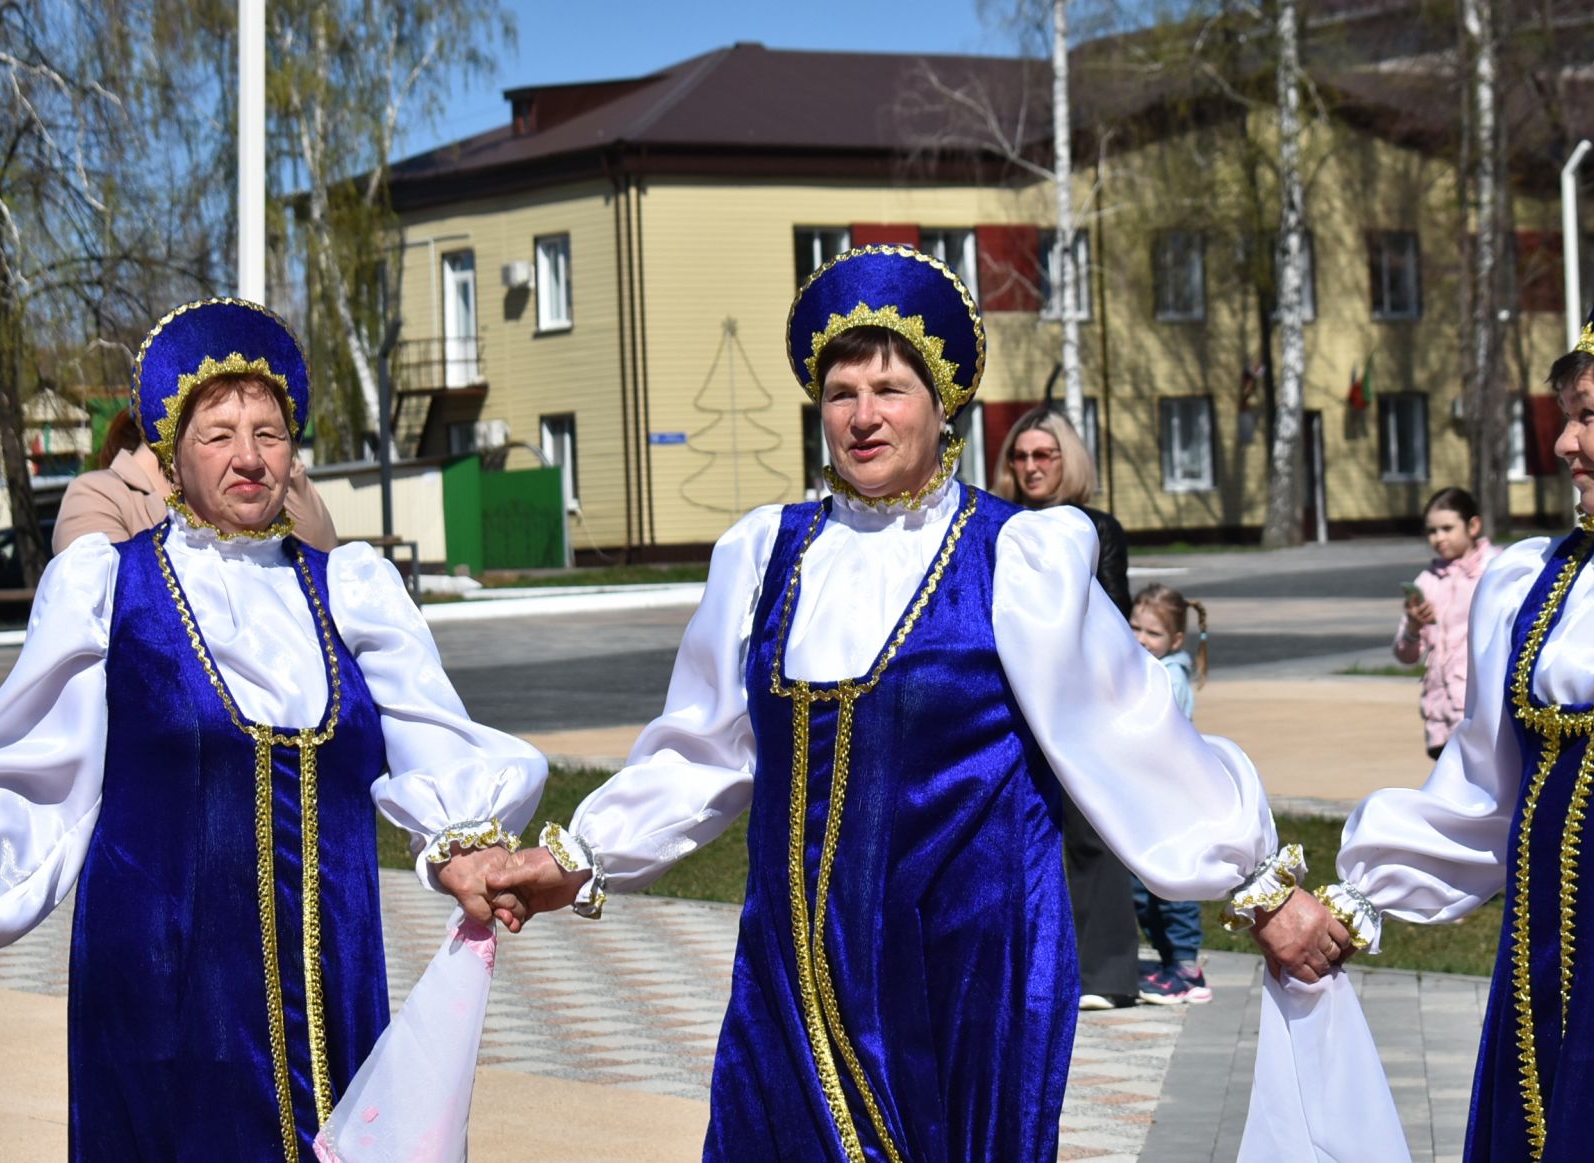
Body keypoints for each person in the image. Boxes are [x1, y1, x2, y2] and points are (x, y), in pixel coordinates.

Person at [481, 245, 1313, 1161]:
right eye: (843, 391)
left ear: (943, 399)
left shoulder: (1018, 559)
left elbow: (1125, 729)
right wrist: (582, 854)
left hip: (965, 970)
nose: (864, 416)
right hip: (793, 971)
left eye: (890, 388)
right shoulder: (766, 555)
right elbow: (706, 753)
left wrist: (1257, 882)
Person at [0, 297, 561, 1162]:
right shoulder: (110, 589)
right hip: (164, 986)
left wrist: (465, 846)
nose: (247, 456)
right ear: (171, 453)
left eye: (268, 433)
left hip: (328, 985)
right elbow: (30, 771)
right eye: (218, 432)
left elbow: (429, 736)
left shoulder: (349, 590)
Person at [1256, 239, 1594, 1160]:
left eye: (1588, 414)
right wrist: (1357, 898)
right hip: (1545, 1009)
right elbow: (1481, 796)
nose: (1564, 440)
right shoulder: (1535, 583)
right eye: (1562, 415)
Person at [992, 405, 1141, 1010]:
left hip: (1080, 700)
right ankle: (1022, 967)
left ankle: (1105, 973)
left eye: (1042, 456)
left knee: (1090, 836)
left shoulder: (1095, 527)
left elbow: (1113, 614)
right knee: (1011, 834)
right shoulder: (998, 525)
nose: (1030, 467)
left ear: (1066, 461)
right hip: (1009, 700)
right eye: (1020, 456)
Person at [54, 401, 337, 553]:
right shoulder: (98, 495)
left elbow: (321, 552)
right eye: (220, 435)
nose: (248, 457)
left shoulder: (241, 485)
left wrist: (277, 447)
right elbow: (118, 613)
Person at [1127, 583, 1213, 1005]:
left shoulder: (1168, 678)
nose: (1142, 639)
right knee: (1144, 889)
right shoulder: (1147, 670)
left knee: (1171, 891)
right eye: (1135, 628)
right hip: (1147, 797)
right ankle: (1169, 963)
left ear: (1176, 640)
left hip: (1170, 799)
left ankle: (1187, 969)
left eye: (1153, 633)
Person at [1393, 487, 1499, 758]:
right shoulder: (1426, 581)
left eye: (1447, 528)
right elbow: (1406, 656)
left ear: (1473, 525)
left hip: (1487, 711)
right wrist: (1414, 629)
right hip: (1439, 714)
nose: (1438, 538)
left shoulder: (1498, 569)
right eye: (1432, 531)